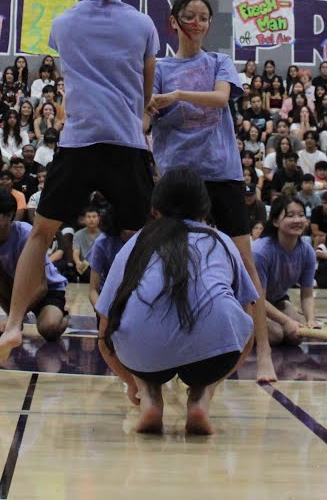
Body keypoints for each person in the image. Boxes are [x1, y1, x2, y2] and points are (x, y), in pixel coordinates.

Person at [0, 0, 157, 362]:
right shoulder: (142, 25)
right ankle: (140, 329)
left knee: (40, 234)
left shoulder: (62, 24)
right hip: (125, 143)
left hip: (78, 142)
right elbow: (146, 92)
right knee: (141, 240)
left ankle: (12, 326)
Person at [145, 0, 277, 382]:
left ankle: (263, 352)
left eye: (204, 17)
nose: (198, 23)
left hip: (222, 173)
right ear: (174, 22)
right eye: (190, 16)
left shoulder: (220, 61)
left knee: (245, 262)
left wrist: (177, 96)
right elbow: (147, 118)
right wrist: (145, 111)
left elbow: (220, 99)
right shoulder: (160, 69)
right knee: (170, 263)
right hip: (178, 179)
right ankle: (169, 350)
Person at [97, 170, 257, 433]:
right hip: (213, 358)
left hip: (144, 355)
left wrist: (133, 383)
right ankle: (202, 397)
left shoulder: (137, 242)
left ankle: (149, 397)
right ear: (205, 210)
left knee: (127, 335)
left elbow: (104, 329)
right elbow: (248, 320)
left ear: (154, 209)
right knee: (240, 328)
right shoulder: (222, 241)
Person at [0, 189, 69, 344]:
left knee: (49, 329)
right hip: (16, 289)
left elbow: (41, 287)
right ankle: (14, 319)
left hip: (47, 291)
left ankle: (64, 315)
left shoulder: (27, 235)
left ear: (9, 215)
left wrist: (13, 320)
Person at [253, 195, 319, 345]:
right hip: (250, 302)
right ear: (276, 221)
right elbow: (258, 299)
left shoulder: (307, 251)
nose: (297, 220)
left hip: (277, 299)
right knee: (275, 335)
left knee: (295, 335)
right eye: (290, 215)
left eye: (301, 215)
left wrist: (311, 320)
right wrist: (286, 321)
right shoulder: (260, 251)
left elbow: (307, 295)